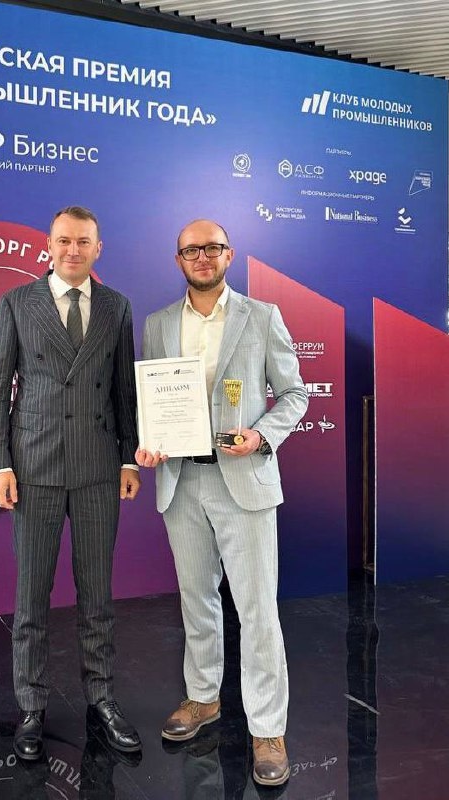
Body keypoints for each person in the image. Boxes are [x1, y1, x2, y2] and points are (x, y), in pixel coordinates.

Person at [135, 219, 308, 787]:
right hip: (182, 481)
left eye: (212, 248)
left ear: (229, 255)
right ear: (178, 259)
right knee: (196, 599)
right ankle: (203, 697)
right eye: (192, 250)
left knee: (257, 608)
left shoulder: (262, 316)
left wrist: (262, 435)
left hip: (243, 480)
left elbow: (295, 394)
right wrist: (149, 443)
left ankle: (268, 728)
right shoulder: (159, 324)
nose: (202, 257)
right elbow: (153, 402)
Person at [0, 206, 142, 761]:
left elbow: (124, 390)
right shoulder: (16, 303)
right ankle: (31, 706)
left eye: (83, 241)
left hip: (98, 468)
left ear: (99, 248)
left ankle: (102, 698)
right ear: (49, 247)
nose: (73, 250)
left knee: (97, 595)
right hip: (35, 470)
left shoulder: (117, 306)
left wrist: (128, 460)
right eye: (64, 241)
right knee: (32, 598)